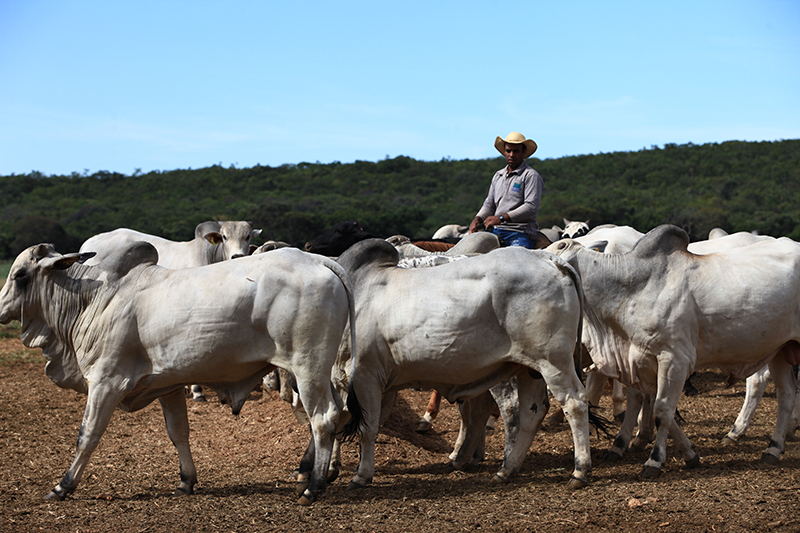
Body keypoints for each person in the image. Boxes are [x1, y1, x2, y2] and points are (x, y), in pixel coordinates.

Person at [468, 131, 543, 248]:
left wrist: (501, 218)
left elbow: (531, 207)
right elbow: (489, 204)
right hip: (496, 230)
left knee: (517, 261)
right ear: (504, 152)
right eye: (508, 151)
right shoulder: (498, 175)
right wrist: (477, 219)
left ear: (523, 152)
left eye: (516, 151)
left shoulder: (530, 175)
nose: (511, 155)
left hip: (519, 232)